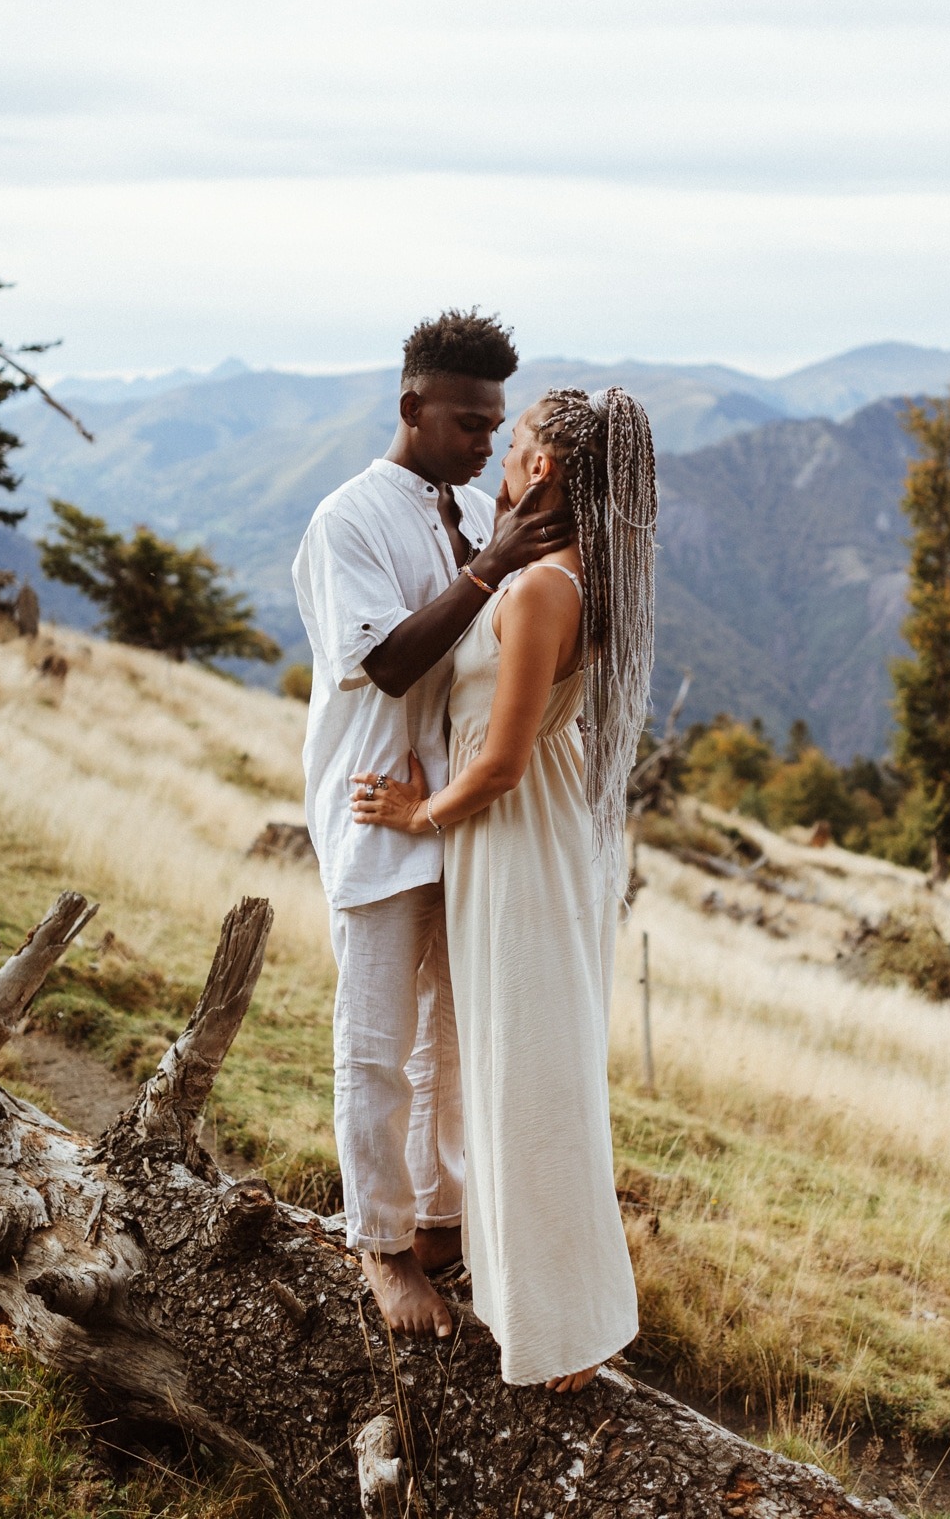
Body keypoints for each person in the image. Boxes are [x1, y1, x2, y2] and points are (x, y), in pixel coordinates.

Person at [353, 385, 657, 1391]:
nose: (500, 457)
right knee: (520, 1059)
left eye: (515, 442)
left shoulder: (541, 591)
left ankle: (562, 1329)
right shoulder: (567, 573)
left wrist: (413, 816)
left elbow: (504, 762)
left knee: (526, 1069)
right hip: (526, 834)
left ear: (549, 469)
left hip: (512, 832)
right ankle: (547, 1299)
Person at [292, 311, 572, 1341]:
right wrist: (490, 566)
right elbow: (389, 663)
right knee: (372, 1038)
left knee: (447, 1040)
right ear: (411, 407)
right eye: (465, 422)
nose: (482, 445)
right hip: (375, 806)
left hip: (451, 813)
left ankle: (441, 1219)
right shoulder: (348, 519)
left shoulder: (465, 510)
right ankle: (379, 1247)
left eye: (493, 426)